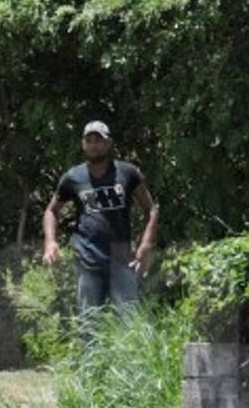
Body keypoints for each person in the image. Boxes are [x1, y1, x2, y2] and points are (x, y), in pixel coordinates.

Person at [41, 120, 160, 317]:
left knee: (130, 324)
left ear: (108, 143)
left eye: (98, 140)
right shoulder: (73, 177)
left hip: (122, 261)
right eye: (89, 140)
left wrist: (145, 245)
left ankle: (128, 350)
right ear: (83, 144)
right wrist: (50, 242)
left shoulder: (127, 173)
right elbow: (51, 211)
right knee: (89, 327)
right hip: (88, 261)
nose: (93, 145)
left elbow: (151, 210)